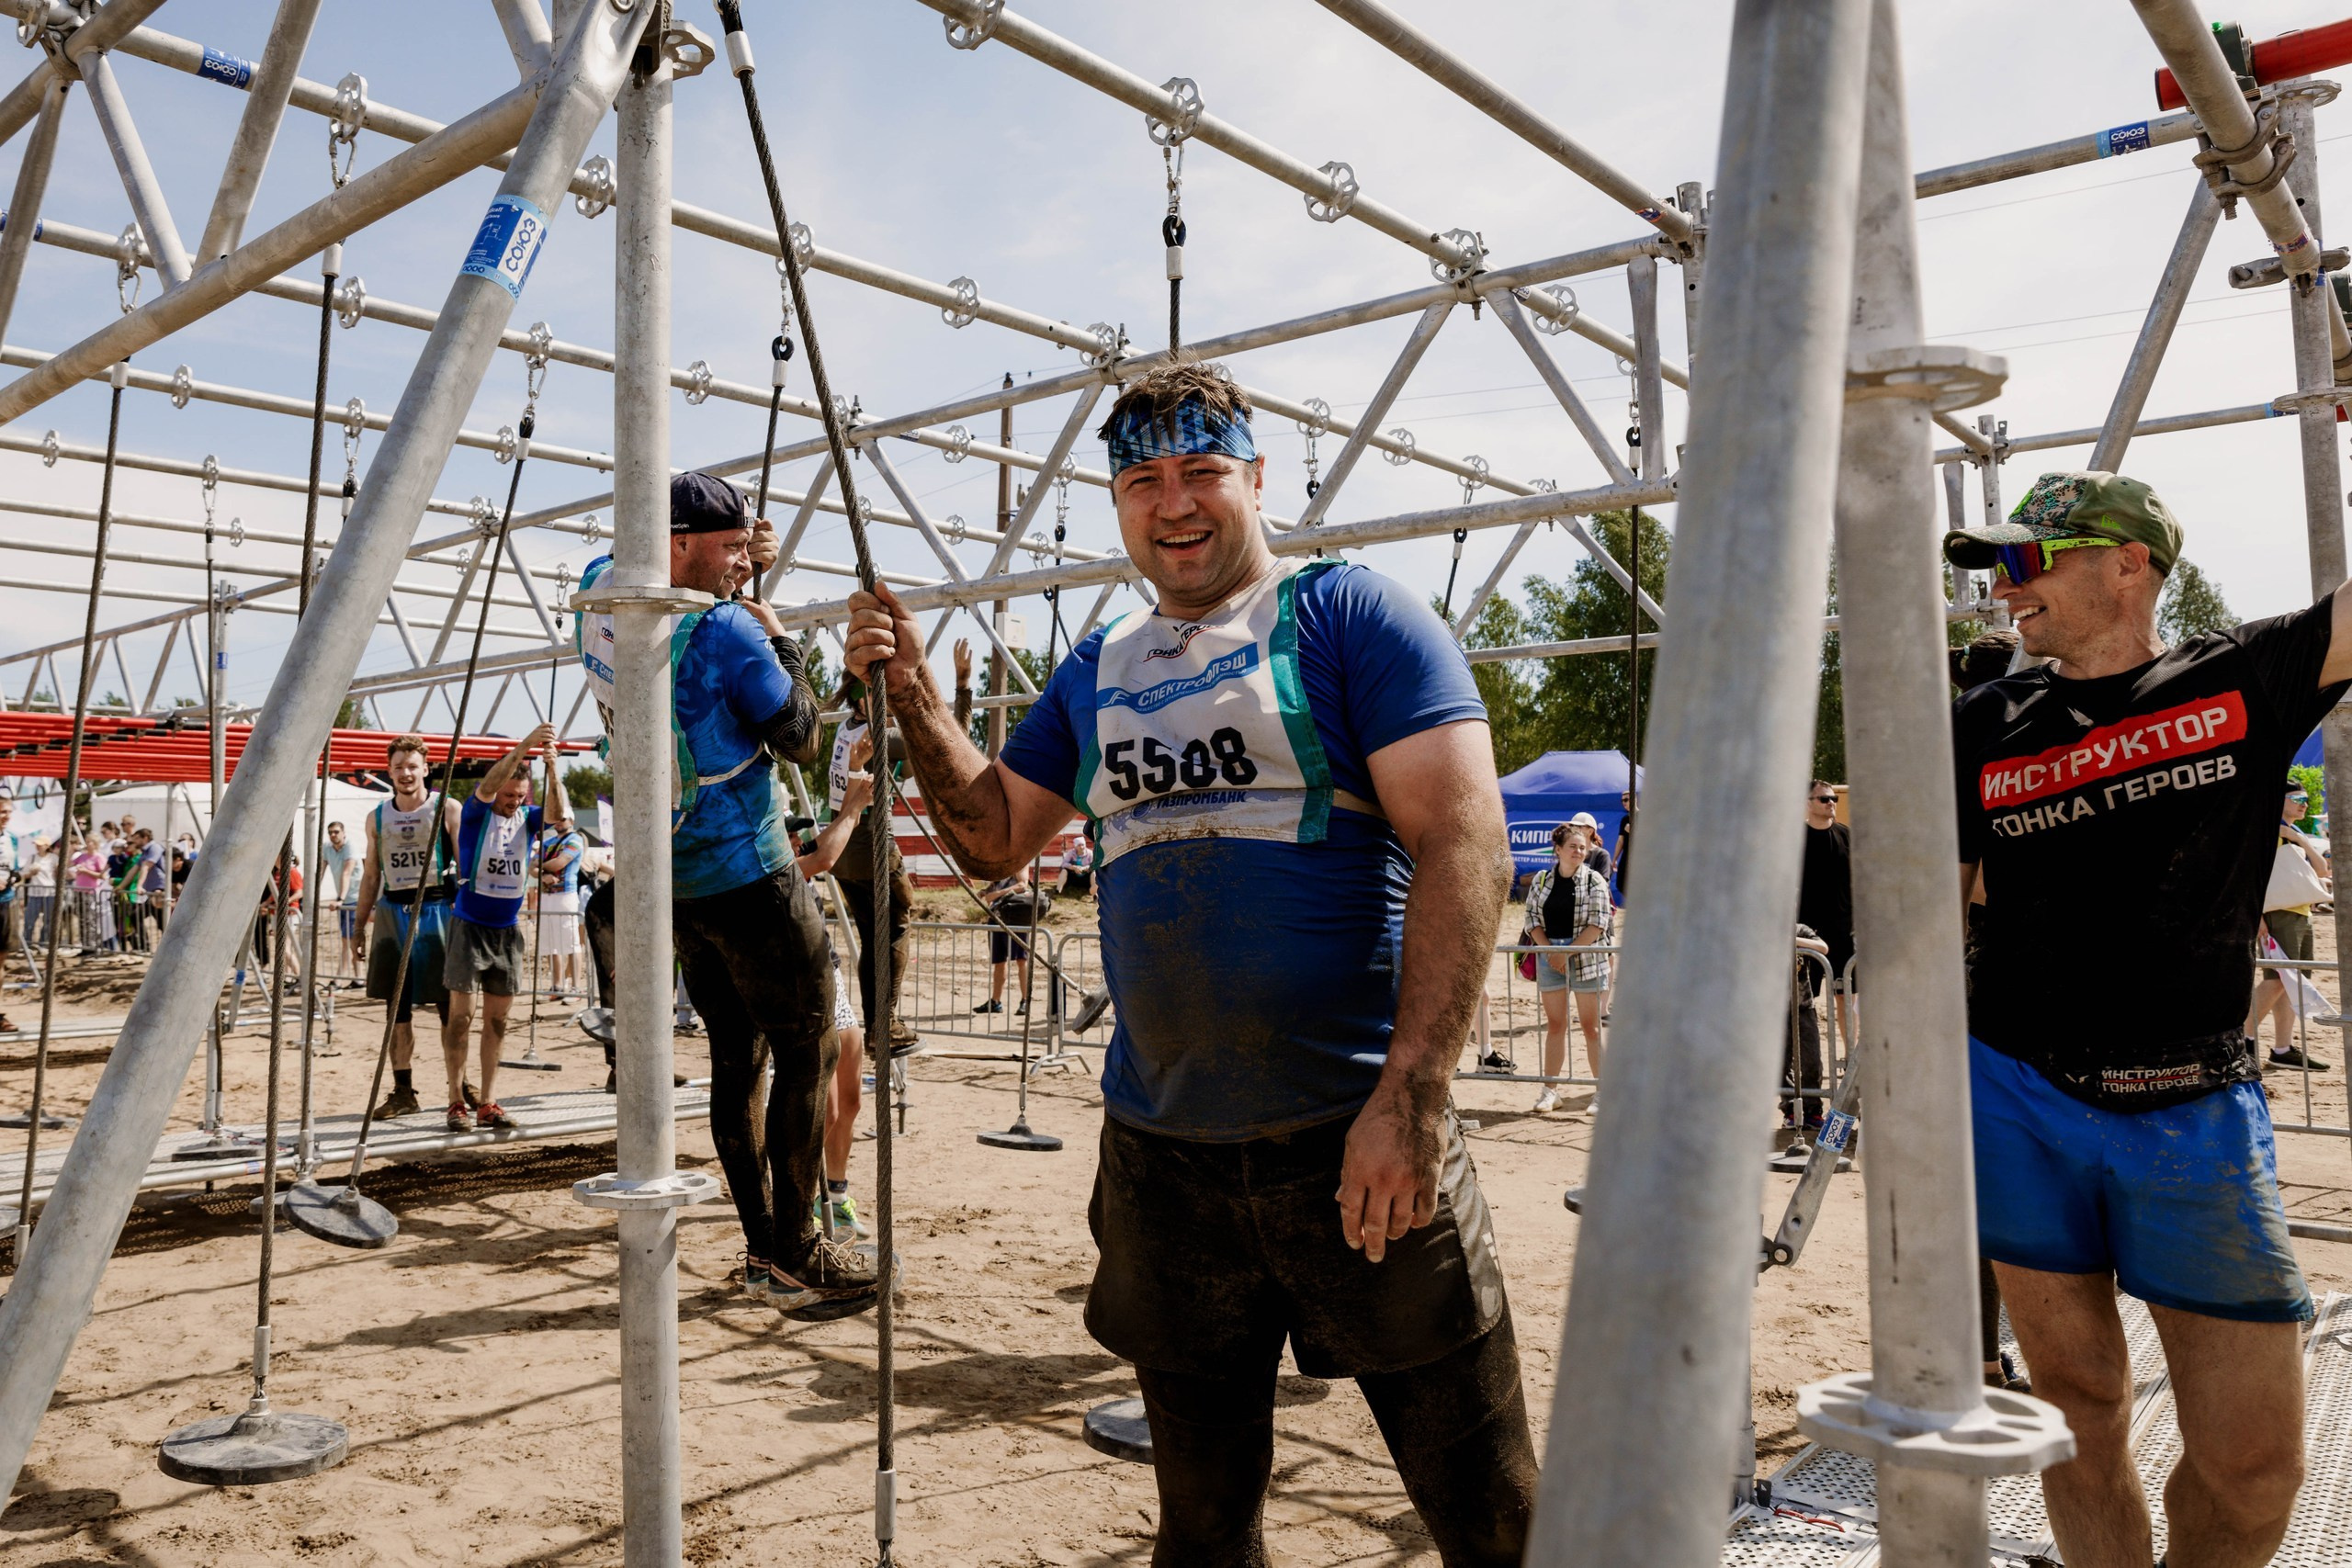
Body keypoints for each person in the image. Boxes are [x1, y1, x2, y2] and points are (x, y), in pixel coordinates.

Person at [845, 359, 1536, 1567]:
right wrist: (910, 688)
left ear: (1258, 478)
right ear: (1117, 501)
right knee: (1203, 1530)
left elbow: (1464, 839)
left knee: (1494, 1516)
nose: (1176, 500)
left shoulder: (1350, 615)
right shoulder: (1099, 667)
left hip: (1355, 1142)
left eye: (1204, 470)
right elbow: (990, 836)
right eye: (1143, 477)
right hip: (1164, 1158)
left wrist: (1414, 1093)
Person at [1947, 469, 2342, 1568]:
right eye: (1997, 570)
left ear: (2128, 563)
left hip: (2194, 1105)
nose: (2004, 591)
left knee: (2257, 1467)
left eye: (2027, 562)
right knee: (2074, 1408)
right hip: (2015, 1089)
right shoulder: (1985, 717)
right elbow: (1928, 900)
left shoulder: (2241, 673)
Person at [574, 470, 871, 1317]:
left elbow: (651, 551)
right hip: (749, 869)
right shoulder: (729, 631)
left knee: (736, 1058)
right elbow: (803, 737)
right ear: (676, 544)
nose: (744, 562)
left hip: (673, 878)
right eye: (732, 548)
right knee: (808, 1044)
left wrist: (736, 549)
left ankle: (761, 1248)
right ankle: (800, 1247)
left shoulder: (605, 593)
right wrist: (780, 637)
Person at [443, 724, 570, 1133]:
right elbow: (488, 785)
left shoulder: (529, 818)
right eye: (509, 796)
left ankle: (489, 1101)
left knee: (497, 1021)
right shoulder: (477, 813)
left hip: (508, 929)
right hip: (469, 925)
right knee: (461, 1017)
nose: (513, 802)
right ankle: (455, 1099)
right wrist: (525, 745)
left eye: (520, 796)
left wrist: (552, 770)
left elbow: (560, 816)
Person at [352, 733, 461, 1122]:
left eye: (412, 766)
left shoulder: (447, 807)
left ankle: (459, 1090)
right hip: (392, 913)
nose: (405, 773)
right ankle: (403, 1090)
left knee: (452, 1008)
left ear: (425, 769)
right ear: (390, 771)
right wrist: (358, 926)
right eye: (398, 767)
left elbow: (463, 870)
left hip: (437, 910)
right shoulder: (377, 816)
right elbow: (370, 874)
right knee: (396, 1011)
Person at [798, 735, 877, 1239]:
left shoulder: (799, 861)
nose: (798, 840)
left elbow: (834, 836)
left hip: (831, 984)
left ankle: (839, 1192)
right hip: (801, 993)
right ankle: (807, 1201)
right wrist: (854, 797)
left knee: (850, 1102)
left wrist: (853, 771)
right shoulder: (775, 869)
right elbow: (827, 854)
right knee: (820, 1107)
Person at [1521, 821, 1610, 1114]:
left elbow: (1598, 923)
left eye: (1583, 847)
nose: (1578, 851)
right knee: (1556, 1025)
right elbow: (1532, 918)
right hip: (1550, 956)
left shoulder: (1594, 880)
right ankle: (1550, 1091)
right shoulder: (1542, 880)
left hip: (1586, 957)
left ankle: (1601, 1092)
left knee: (1591, 1027)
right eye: (1572, 846)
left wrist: (1566, 953)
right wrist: (1549, 950)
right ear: (1557, 850)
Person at [2246, 779, 2333, 1071]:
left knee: (2288, 984)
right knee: (2275, 980)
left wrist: (2301, 840)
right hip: (2278, 913)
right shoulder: (2265, 830)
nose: (2304, 803)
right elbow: (2248, 876)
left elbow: (2323, 869)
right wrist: (2256, 916)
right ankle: (2242, 1043)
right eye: (2297, 797)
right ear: (2279, 799)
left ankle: (2282, 1049)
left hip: (2299, 912)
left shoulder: (2292, 832)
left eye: (2306, 798)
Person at [1797, 779, 1854, 1045]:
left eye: (1834, 799)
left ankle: (1852, 1059)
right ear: (1807, 804)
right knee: (1802, 1003)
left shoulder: (1846, 836)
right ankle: (1804, 1066)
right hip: (1808, 934)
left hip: (1843, 933)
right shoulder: (1794, 840)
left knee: (1846, 997)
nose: (1832, 803)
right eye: (1824, 799)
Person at [975, 864, 1036, 1015]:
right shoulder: (1001, 862)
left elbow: (1022, 885)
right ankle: (995, 1001)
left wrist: (995, 895)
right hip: (996, 916)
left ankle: (1025, 1000)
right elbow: (997, 885)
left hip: (1015, 916)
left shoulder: (1020, 860)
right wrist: (986, 891)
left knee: (1021, 960)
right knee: (999, 961)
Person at [534, 816, 585, 998]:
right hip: (547, 895)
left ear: (571, 820)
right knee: (550, 941)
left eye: (562, 819)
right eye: (556, 819)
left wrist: (539, 868)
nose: (558, 822)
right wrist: (542, 875)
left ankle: (576, 987)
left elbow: (560, 862)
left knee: (571, 941)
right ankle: (557, 985)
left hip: (566, 894)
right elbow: (531, 865)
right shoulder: (547, 841)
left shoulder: (576, 840)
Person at [0, 792, 29, 1032]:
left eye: (9, 812)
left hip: (5, 901)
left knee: (1, 961)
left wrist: (13, 878)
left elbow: (16, 870)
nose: (7, 817)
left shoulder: (11, 839)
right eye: (3, 812)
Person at [321, 818, 361, 983]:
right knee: (350, 940)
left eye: (336, 832)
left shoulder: (350, 847)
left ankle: (339, 978)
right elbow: (320, 871)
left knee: (349, 941)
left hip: (355, 898)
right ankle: (358, 978)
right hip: (345, 900)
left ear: (344, 833)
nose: (333, 835)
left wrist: (340, 899)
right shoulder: (328, 848)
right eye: (330, 832)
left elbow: (347, 873)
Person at [1058, 827, 1094, 897]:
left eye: (1083, 845)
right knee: (1064, 871)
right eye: (1079, 845)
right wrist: (1074, 867)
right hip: (1073, 876)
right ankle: (1058, 891)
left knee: (1094, 873)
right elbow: (1063, 864)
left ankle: (1094, 893)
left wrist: (1084, 868)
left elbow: (1093, 865)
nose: (1081, 847)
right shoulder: (1071, 853)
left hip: (1086, 877)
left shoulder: (1090, 853)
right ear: (1075, 847)